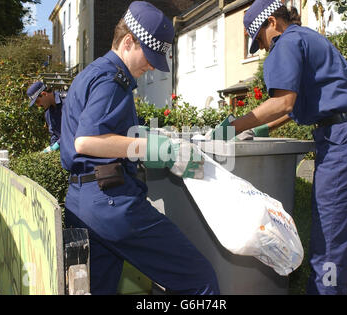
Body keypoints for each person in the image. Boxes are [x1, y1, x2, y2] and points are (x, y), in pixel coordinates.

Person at [211, 0, 347, 294]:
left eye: (260, 40)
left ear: (272, 23)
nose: (264, 48)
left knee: (328, 249)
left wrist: (232, 127)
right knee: (342, 243)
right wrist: (261, 127)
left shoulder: (287, 42)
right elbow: (291, 108)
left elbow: (282, 101)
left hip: (342, 139)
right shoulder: (307, 38)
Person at [60, 1, 219, 295]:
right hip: (111, 202)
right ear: (128, 41)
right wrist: (153, 148)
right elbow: (87, 140)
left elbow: (93, 133)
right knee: (201, 280)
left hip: (82, 201)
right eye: (149, 56)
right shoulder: (113, 79)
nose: (150, 67)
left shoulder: (90, 74)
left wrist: (147, 135)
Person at [26, 81, 64, 153]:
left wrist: (57, 144)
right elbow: (54, 134)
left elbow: (74, 129)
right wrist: (52, 148)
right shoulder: (48, 113)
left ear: (44, 94)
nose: (38, 105)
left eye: (37, 101)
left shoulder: (67, 102)